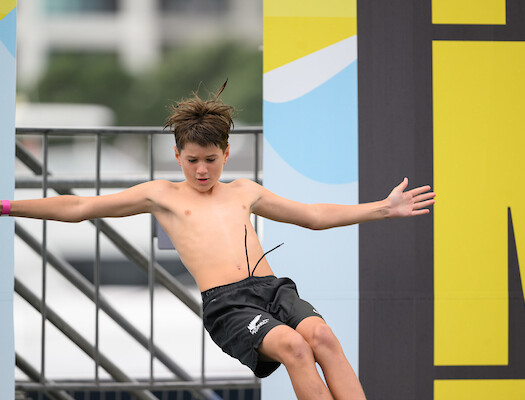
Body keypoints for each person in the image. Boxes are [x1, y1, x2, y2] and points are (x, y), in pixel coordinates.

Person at [1, 82, 435, 400]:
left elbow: (315, 216)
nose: (202, 170)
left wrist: (383, 207)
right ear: (177, 156)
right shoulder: (161, 195)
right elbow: (79, 208)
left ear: (226, 153)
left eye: (211, 160)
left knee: (321, 336)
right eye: (192, 161)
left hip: (272, 289)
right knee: (293, 346)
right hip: (229, 305)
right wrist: (7, 208)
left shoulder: (244, 191)